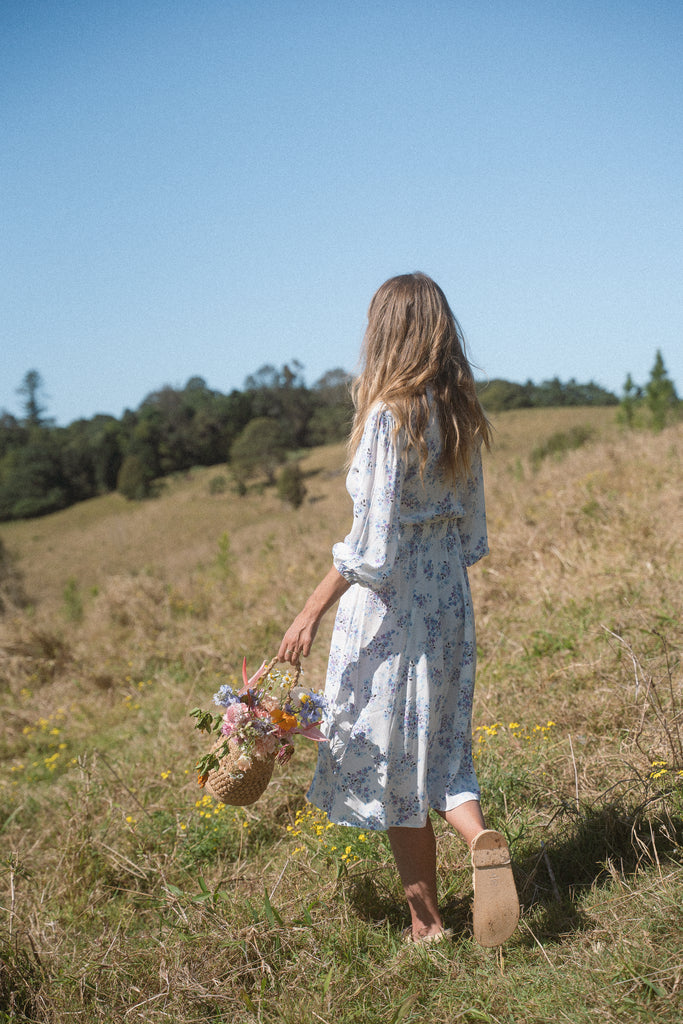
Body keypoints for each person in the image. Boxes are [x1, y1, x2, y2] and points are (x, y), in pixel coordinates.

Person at [278, 272, 519, 946]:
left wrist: (309, 612)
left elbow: (369, 550)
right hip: (448, 600)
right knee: (442, 752)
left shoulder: (388, 416)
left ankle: (426, 923)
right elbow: (472, 537)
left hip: (390, 615)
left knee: (394, 763)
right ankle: (477, 836)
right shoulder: (458, 414)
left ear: (384, 332)